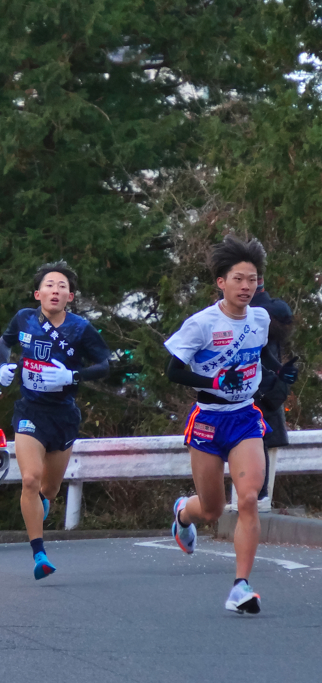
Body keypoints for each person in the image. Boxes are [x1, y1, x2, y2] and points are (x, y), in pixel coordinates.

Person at [164, 235, 271, 614]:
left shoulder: (261, 318)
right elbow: (173, 370)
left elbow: (261, 358)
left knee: (246, 499)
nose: (246, 287)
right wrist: (213, 382)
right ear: (220, 282)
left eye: (253, 279)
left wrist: (274, 379)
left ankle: (240, 586)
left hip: (244, 417)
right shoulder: (201, 324)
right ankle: (183, 513)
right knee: (211, 510)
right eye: (239, 279)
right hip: (208, 418)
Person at [0, 261, 111, 580]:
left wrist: (73, 374)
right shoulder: (23, 319)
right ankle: (39, 554)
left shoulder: (80, 329)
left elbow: (105, 363)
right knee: (30, 479)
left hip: (63, 413)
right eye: (49, 285)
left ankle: (44, 501)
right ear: (38, 293)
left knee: (49, 487)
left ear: (70, 296)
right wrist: (3, 367)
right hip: (29, 411)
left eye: (62, 286)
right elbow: (4, 343)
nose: (55, 290)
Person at [248, 283, 298, 511]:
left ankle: (258, 498)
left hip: (261, 390)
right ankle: (259, 498)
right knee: (262, 443)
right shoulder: (274, 311)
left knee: (258, 442)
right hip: (269, 390)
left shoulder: (256, 313)